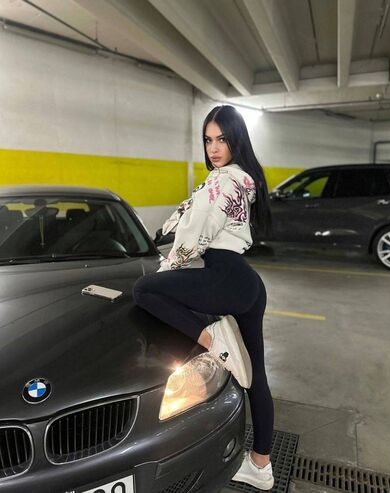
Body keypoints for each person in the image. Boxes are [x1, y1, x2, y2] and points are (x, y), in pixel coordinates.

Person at [132, 105, 275, 491]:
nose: (213, 148)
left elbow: (194, 233)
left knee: (144, 291)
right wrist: (165, 230)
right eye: (208, 140)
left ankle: (214, 341)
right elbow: (189, 213)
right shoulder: (243, 179)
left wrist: (167, 269)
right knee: (256, 377)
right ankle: (261, 465)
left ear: (236, 140)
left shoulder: (222, 181)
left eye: (222, 139)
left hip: (224, 277)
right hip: (247, 283)